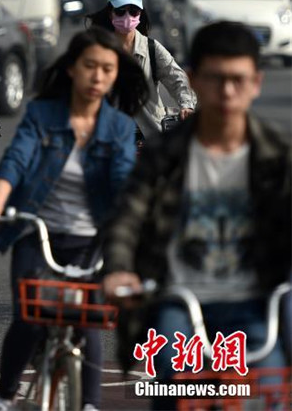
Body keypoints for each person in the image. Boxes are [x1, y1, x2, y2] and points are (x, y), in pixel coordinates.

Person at [102, 21, 291, 410]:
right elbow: (129, 218)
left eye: (237, 80)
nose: (226, 91)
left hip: (257, 302)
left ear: (256, 83)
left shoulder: (278, 155)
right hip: (179, 299)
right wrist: (120, 269)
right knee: (171, 372)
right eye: (215, 79)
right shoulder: (163, 155)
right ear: (193, 80)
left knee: (272, 384)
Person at [0, 28, 148, 411]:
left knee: (87, 320)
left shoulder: (119, 127)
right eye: (90, 66)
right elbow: (17, 160)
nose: (98, 77)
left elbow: (123, 177)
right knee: (30, 317)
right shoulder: (42, 113)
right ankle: (4, 396)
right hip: (37, 233)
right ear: (72, 68)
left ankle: (88, 404)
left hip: (92, 240)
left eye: (108, 69)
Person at [86, 0, 196, 142]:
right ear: (111, 12)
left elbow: (178, 79)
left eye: (133, 11)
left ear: (141, 13)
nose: (127, 17)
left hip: (150, 138)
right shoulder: (98, 50)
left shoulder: (151, 48)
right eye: (121, 11)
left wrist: (186, 105)